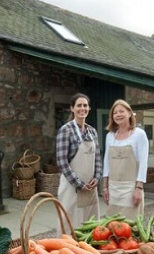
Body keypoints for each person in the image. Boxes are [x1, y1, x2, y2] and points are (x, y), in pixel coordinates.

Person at [56, 93, 102, 228]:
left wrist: (97, 177)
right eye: (79, 105)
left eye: (85, 105)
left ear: (89, 108)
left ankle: (88, 249)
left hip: (90, 188)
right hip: (71, 188)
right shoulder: (66, 130)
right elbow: (62, 162)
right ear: (72, 108)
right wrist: (79, 184)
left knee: (90, 224)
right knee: (70, 224)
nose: (83, 108)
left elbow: (97, 158)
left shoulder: (92, 131)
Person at [102, 99, 149, 218]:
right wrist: (105, 187)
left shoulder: (139, 134)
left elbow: (143, 162)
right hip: (113, 189)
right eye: (115, 113)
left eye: (121, 111)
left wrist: (139, 188)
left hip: (131, 189)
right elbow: (106, 163)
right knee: (112, 226)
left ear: (129, 113)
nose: (118, 115)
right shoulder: (110, 136)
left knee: (130, 227)